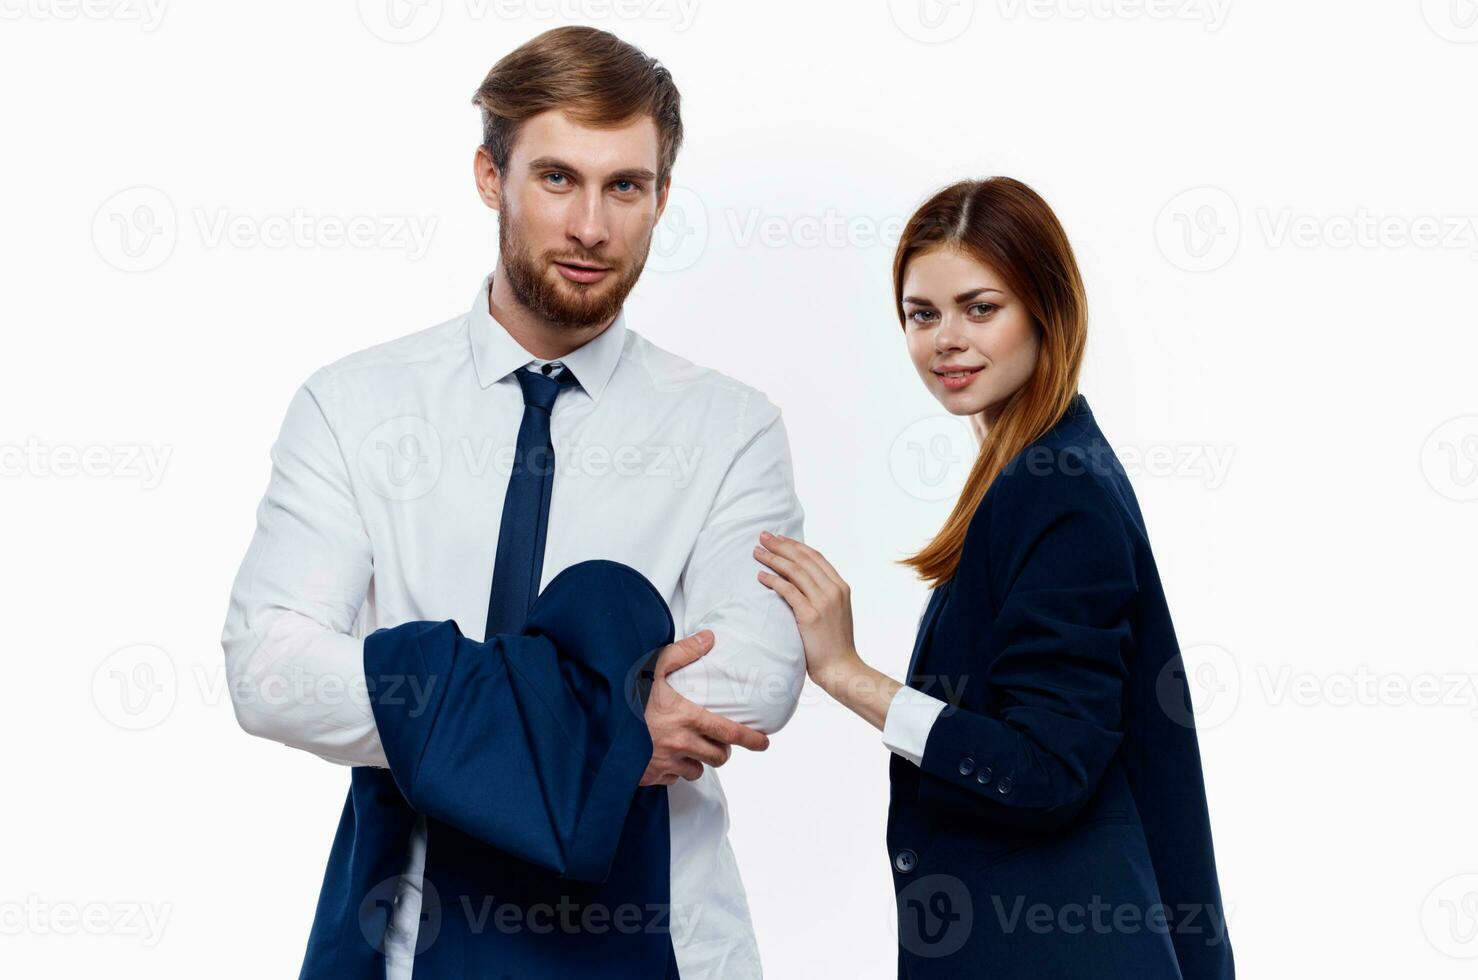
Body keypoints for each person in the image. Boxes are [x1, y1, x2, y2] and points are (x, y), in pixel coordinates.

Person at [219, 26, 805, 979]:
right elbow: (271, 669)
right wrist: (607, 726)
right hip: (410, 941)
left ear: (660, 197)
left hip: (662, 939)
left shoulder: (730, 428)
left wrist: (441, 707)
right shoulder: (353, 405)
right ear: (491, 178)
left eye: (626, 186)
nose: (591, 228)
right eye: (558, 178)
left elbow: (749, 681)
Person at [755, 177, 1235, 978]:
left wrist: (848, 676)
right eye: (922, 314)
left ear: (1047, 310)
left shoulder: (1059, 488)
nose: (947, 339)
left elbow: (1046, 768)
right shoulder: (1031, 472)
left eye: (981, 308)